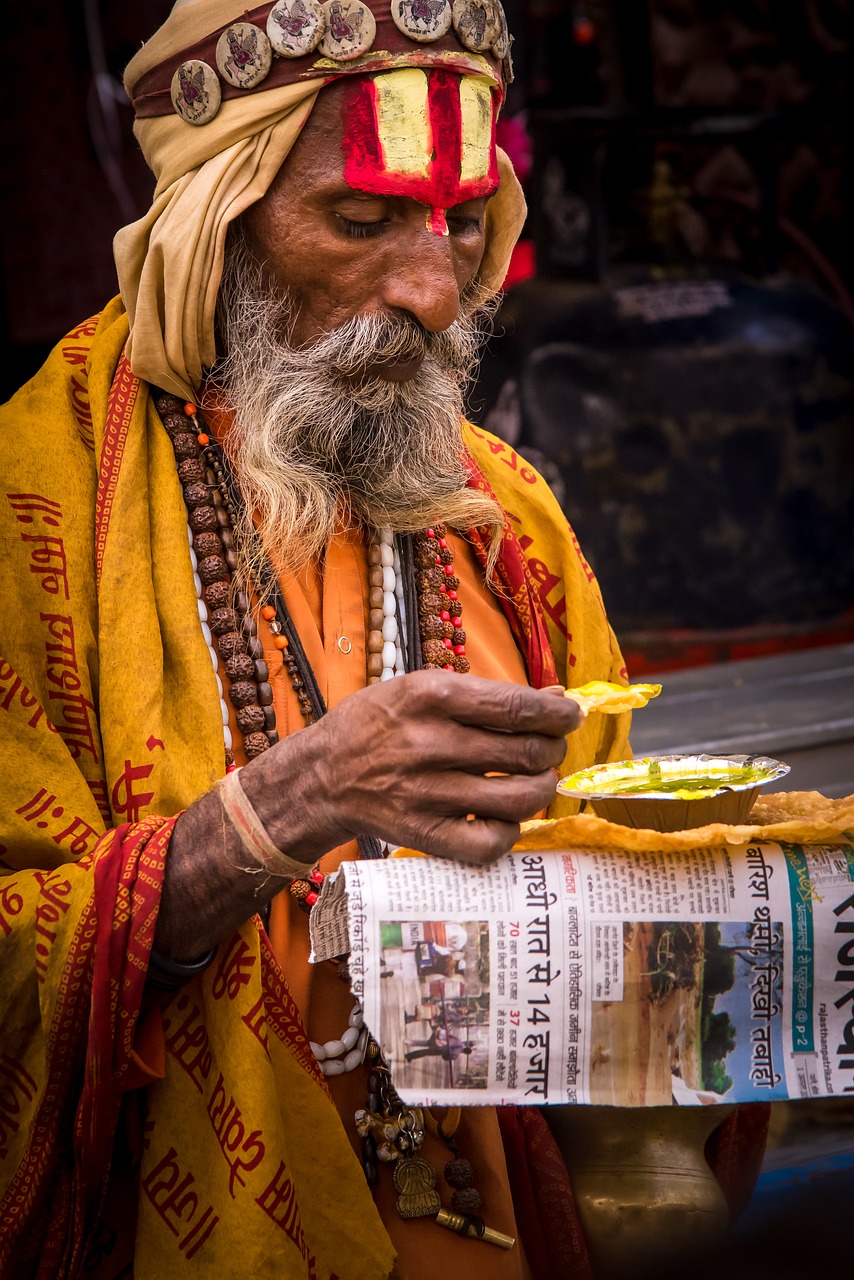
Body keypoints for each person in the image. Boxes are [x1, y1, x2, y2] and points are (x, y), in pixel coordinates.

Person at [0, 2, 767, 1277]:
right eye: (358, 223)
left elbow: (622, 874)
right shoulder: (34, 504)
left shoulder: (503, 508)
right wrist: (278, 811)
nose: (429, 288)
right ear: (214, 218)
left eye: (462, 221)